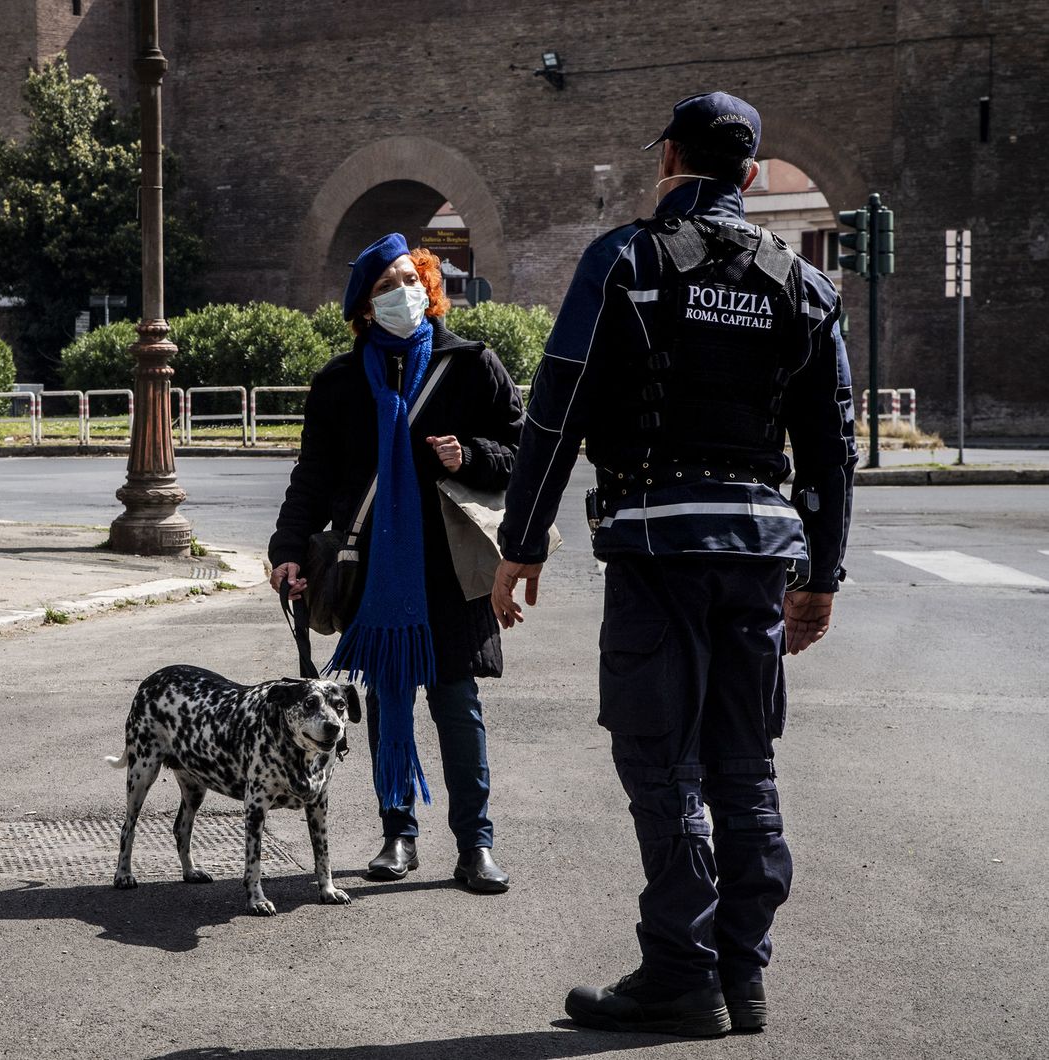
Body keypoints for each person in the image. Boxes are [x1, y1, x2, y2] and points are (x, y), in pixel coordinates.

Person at [492, 92, 856, 1035]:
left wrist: (521, 544)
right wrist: (823, 575)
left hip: (659, 547)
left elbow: (557, 406)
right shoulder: (802, 284)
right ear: (747, 175)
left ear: (669, 160)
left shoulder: (625, 262)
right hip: (761, 557)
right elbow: (830, 448)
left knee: (664, 762)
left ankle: (680, 974)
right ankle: (745, 976)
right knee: (746, 762)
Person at [269, 233, 524, 893]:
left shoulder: (471, 364)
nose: (403, 293)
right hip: (375, 569)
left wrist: (470, 455)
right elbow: (313, 478)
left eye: (410, 278)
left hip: (453, 569)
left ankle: (476, 846)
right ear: (363, 308)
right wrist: (288, 552)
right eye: (385, 287)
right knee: (387, 700)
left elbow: (523, 453)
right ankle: (397, 834)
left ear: (429, 284)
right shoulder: (340, 383)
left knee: (457, 703)